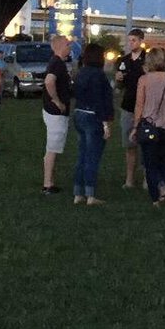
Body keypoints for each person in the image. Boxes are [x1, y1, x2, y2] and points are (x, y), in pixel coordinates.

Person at [131, 47, 165, 208]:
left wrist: (135, 127)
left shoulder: (144, 80)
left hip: (150, 127)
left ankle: (156, 198)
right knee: (164, 163)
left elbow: (139, 105)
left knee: (150, 165)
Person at [71, 42, 114, 206]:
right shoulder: (98, 75)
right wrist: (105, 123)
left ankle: (78, 192)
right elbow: (99, 100)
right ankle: (90, 194)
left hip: (79, 113)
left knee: (82, 155)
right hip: (93, 117)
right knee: (92, 157)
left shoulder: (81, 73)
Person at [115, 28, 147, 189]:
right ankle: (129, 179)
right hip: (128, 106)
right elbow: (119, 87)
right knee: (129, 144)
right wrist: (118, 80)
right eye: (129, 40)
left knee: (146, 144)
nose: (131, 43)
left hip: (146, 107)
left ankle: (147, 179)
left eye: (134, 40)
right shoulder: (124, 60)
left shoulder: (147, 60)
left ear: (141, 41)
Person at [41, 34, 72, 194]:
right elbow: (49, 81)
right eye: (67, 44)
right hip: (55, 113)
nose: (70, 46)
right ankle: (48, 184)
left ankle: (50, 181)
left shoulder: (58, 63)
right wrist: (57, 101)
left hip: (52, 111)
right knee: (53, 147)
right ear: (60, 46)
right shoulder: (57, 63)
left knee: (52, 147)